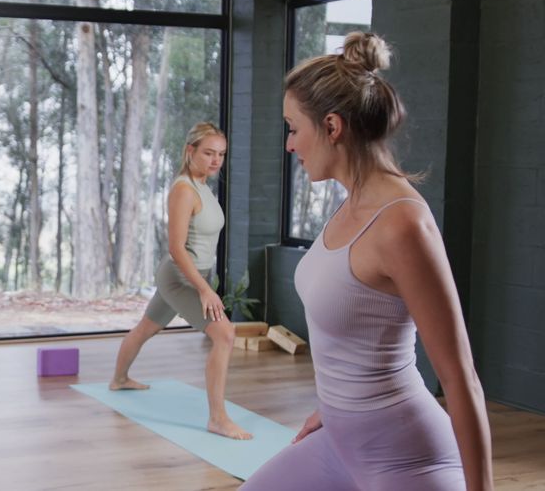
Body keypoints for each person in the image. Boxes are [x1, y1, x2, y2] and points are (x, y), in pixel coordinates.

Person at [242, 32, 492, 490]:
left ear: (332, 127)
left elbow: (460, 379)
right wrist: (336, 407)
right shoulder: (348, 203)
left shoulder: (401, 225)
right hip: (340, 440)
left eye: (294, 128)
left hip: (406, 460)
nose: (289, 145)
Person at [108, 121, 252, 440]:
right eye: (208, 153)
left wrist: (203, 282)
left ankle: (119, 379)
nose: (216, 160)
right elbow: (175, 247)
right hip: (179, 278)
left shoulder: (203, 186)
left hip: (192, 276)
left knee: (147, 327)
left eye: (221, 154)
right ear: (190, 151)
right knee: (225, 335)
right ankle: (217, 419)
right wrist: (204, 290)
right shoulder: (184, 190)